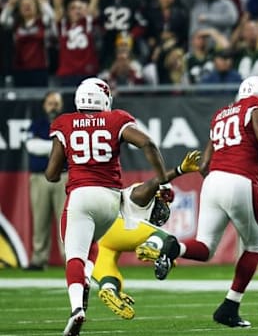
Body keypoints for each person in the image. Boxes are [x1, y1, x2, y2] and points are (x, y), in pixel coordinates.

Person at [138, 76, 258, 328]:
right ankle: (230, 307)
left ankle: (173, 248)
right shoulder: (257, 106)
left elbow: (203, 164)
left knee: (205, 247)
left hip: (213, 181)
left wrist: (220, 179)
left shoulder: (222, 114)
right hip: (240, 180)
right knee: (257, 246)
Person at [45, 78, 168, 336]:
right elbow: (148, 143)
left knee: (74, 256)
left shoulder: (64, 123)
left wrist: (66, 166)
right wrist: (162, 179)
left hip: (80, 195)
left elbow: (51, 173)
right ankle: (87, 281)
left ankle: (77, 308)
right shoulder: (115, 119)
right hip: (110, 201)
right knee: (91, 247)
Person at [94, 150, 202, 319]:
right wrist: (179, 170)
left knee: (109, 276)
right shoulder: (139, 194)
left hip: (99, 238)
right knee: (166, 238)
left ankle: (110, 290)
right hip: (115, 226)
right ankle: (150, 247)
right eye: (165, 198)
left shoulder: (141, 203)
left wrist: (164, 258)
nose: (165, 204)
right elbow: (155, 181)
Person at [24, 92, 67, 270]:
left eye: (56, 103)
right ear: (44, 105)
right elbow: (31, 146)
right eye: (50, 103)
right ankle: (38, 258)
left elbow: (38, 146)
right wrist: (58, 148)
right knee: (39, 221)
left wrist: (46, 147)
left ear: (62, 105)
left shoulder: (67, 123)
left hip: (64, 177)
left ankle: (70, 259)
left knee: (66, 220)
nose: (53, 107)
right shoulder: (38, 124)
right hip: (40, 178)